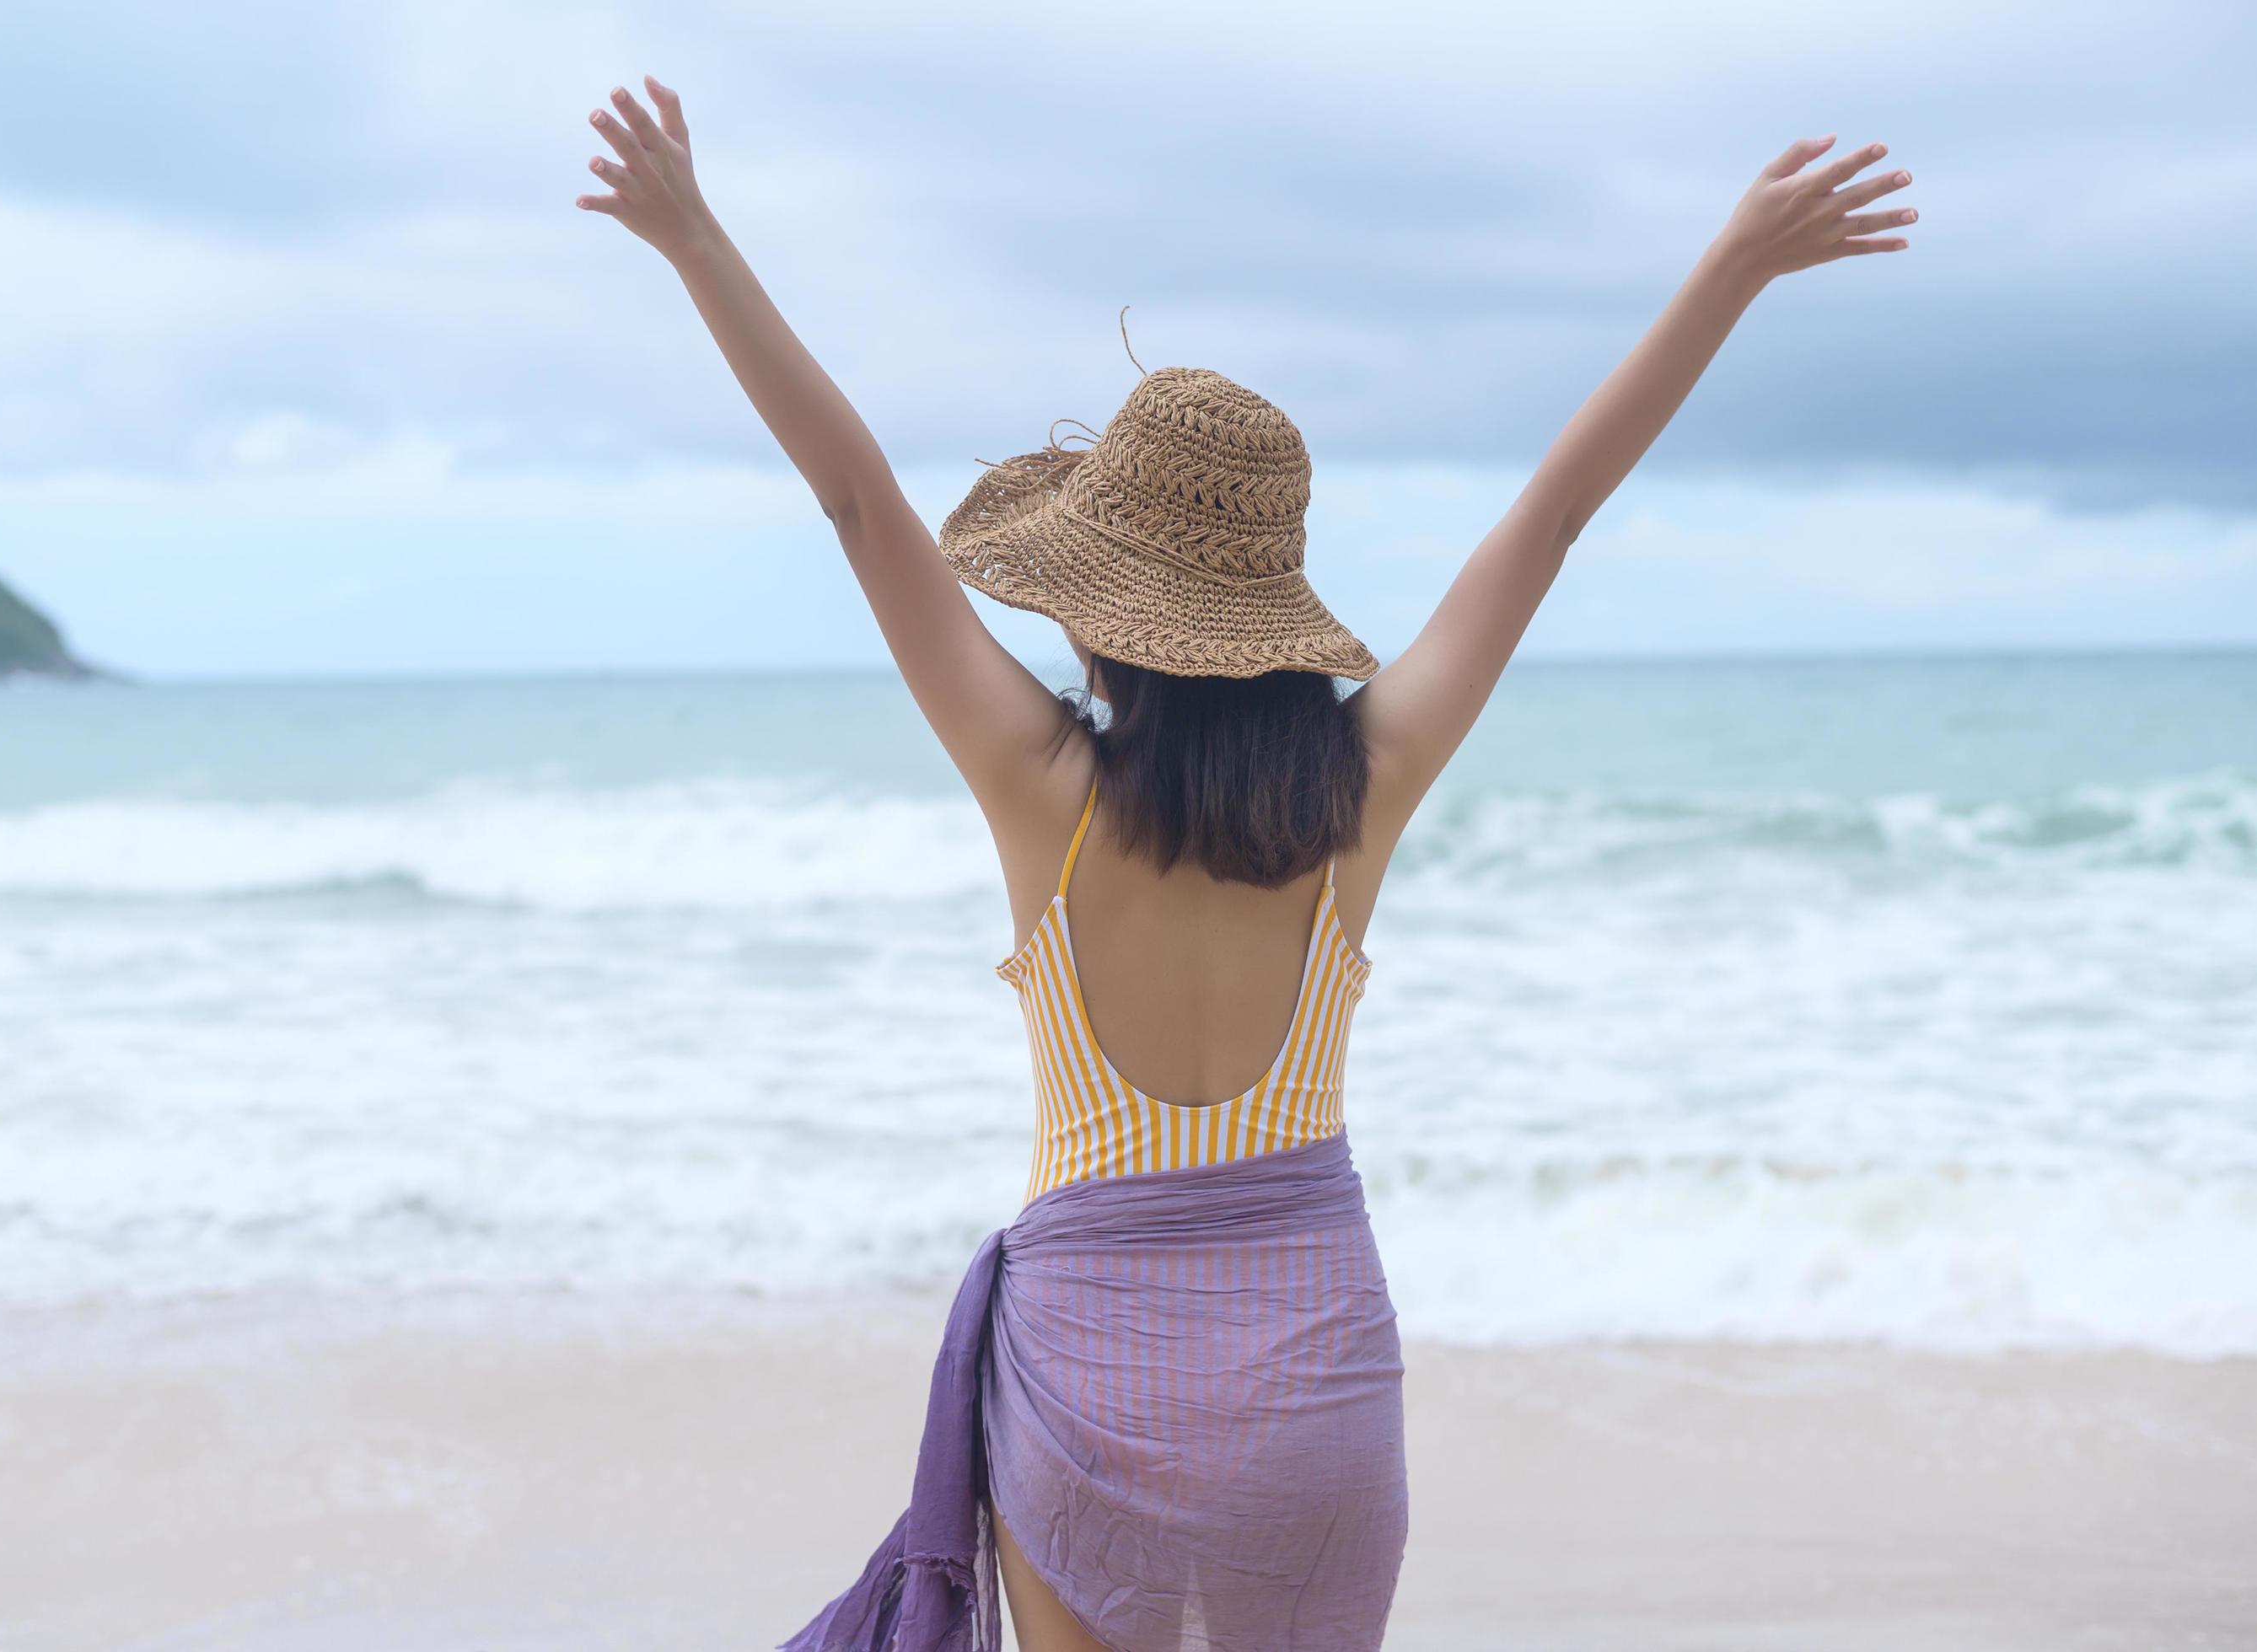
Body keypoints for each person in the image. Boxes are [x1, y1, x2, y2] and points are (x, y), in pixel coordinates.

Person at [577, 78, 1914, 1652]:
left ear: (1093, 612)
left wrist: (691, 238)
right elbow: (1550, 517)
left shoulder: (1038, 789)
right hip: (1317, 1391)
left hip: (1088, 1373)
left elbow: (860, 503)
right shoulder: (1362, 788)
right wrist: (1733, 266)